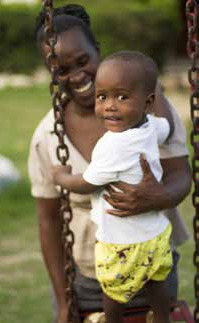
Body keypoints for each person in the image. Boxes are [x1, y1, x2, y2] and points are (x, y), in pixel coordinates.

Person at [28, 4, 191, 323]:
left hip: (153, 258)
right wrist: (64, 302)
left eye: (83, 60)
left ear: (98, 51)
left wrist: (162, 197)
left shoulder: (149, 115)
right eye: (62, 70)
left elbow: (181, 173)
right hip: (87, 276)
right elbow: (48, 223)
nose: (77, 75)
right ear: (50, 71)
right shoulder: (47, 137)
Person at [52, 51, 175, 323]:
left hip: (121, 241)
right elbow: (167, 125)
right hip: (155, 235)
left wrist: (61, 177)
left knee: (112, 289)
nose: (109, 106)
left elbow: (85, 184)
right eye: (102, 96)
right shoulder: (149, 126)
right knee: (156, 278)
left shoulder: (113, 144)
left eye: (121, 97)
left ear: (146, 102)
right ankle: (163, 318)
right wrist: (157, 90)